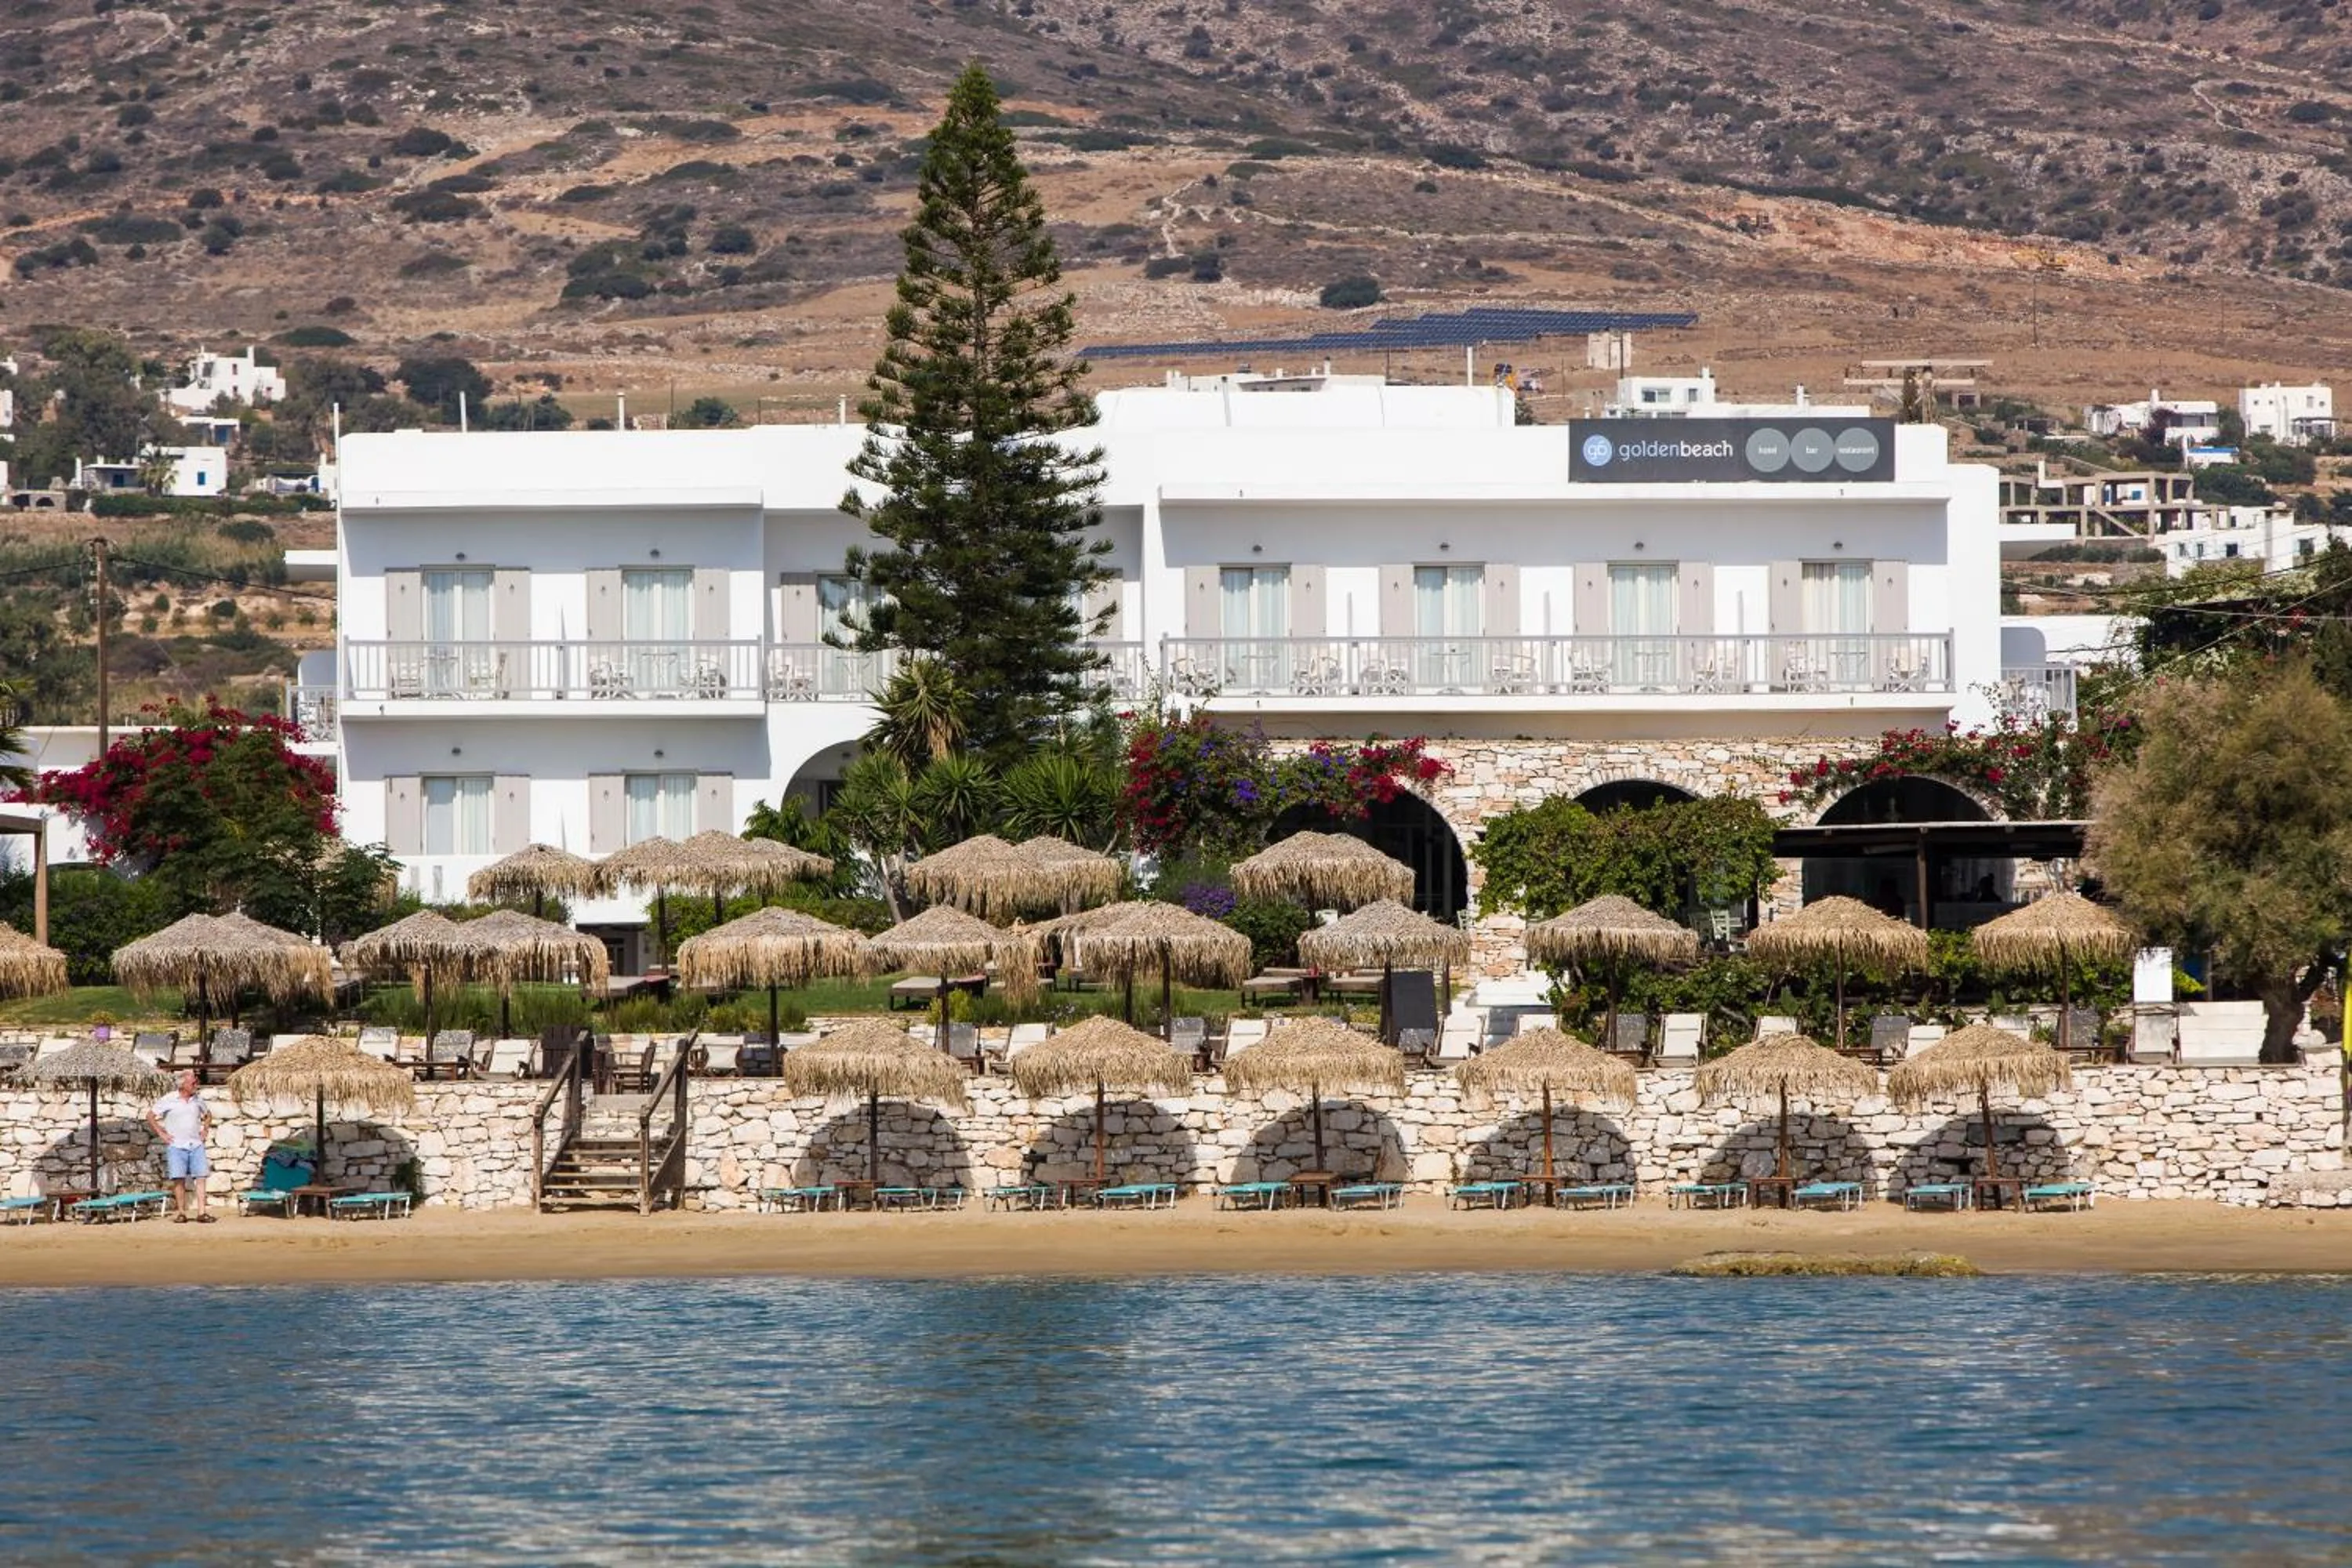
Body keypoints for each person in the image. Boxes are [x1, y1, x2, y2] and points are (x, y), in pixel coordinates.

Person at [147, 1069, 216, 1223]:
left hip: (196, 1145)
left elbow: (208, 1114)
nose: (196, 1084)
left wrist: (205, 1129)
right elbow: (150, 1116)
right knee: (179, 1179)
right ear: (183, 1084)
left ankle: (202, 1213)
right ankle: (181, 1213)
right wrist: (161, 1133)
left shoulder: (198, 1099)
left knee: (201, 1177)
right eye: (193, 1082)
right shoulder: (169, 1099)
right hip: (177, 1145)